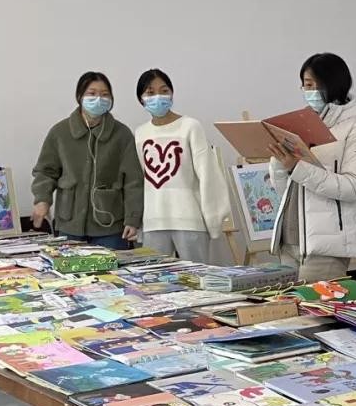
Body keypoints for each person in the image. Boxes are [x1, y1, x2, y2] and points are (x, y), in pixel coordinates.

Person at [266, 53, 356, 282]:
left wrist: (298, 168)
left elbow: (353, 187)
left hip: (328, 244)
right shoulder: (300, 123)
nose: (311, 92)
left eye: (316, 85)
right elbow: (285, 190)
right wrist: (280, 162)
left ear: (335, 84)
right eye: (307, 85)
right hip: (291, 237)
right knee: (287, 304)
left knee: (315, 304)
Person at [31, 71, 142, 249]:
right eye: (92, 93)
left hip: (110, 225)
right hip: (69, 223)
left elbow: (133, 181)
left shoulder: (122, 134)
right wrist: (42, 199)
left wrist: (133, 219)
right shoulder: (60, 132)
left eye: (105, 94)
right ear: (80, 97)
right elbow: (45, 171)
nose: (99, 99)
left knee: (113, 267)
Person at [133, 68, 231, 262]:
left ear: (172, 93)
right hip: (153, 221)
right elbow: (140, 180)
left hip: (189, 219)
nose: (158, 97)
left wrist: (214, 219)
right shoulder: (140, 133)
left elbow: (208, 173)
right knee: (154, 277)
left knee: (197, 275)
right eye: (150, 93)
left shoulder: (190, 126)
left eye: (164, 91)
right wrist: (138, 223)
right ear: (141, 99)